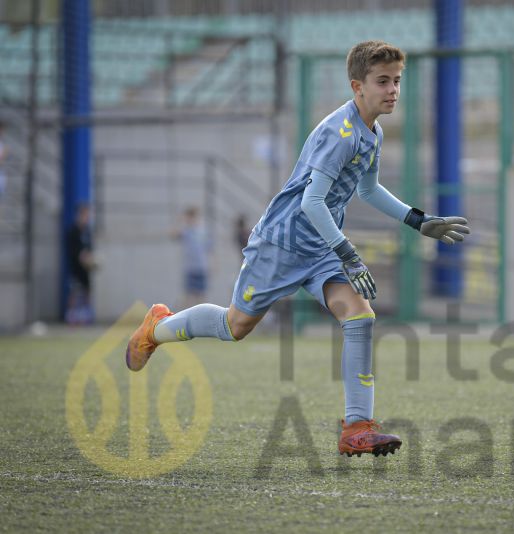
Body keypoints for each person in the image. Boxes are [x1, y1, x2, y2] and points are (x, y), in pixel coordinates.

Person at [125, 41, 470, 458]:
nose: (393, 89)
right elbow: (311, 201)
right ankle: (155, 330)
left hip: (321, 246)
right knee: (236, 326)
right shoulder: (338, 134)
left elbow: (368, 188)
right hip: (282, 243)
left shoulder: (372, 132)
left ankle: (356, 428)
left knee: (359, 316)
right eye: (383, 82)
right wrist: (348, 253)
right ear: (357, 86)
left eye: (397, 81)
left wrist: (418, 220)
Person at [66, 203, 97, 324]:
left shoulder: (87, 231)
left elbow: (89, 248)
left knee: (87, 291)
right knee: (74, 292)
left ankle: (86, 316)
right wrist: (80, 256)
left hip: (86, 268)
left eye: (87, 215)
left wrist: (91, 259)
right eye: (84, 214)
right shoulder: (74, 231)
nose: (86, 217)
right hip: (76, 267)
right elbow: (72, 250)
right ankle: (71, 316)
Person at [173, 206, 210, 308]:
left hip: (201, 267)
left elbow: (209, 248)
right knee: (188, 297)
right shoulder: (186, 231)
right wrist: (179, 221)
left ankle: (201, 320)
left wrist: (213, 264)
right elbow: (173, 234)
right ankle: (184, 320)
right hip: (190, 268)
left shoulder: (202, 231)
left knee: (201, 297)